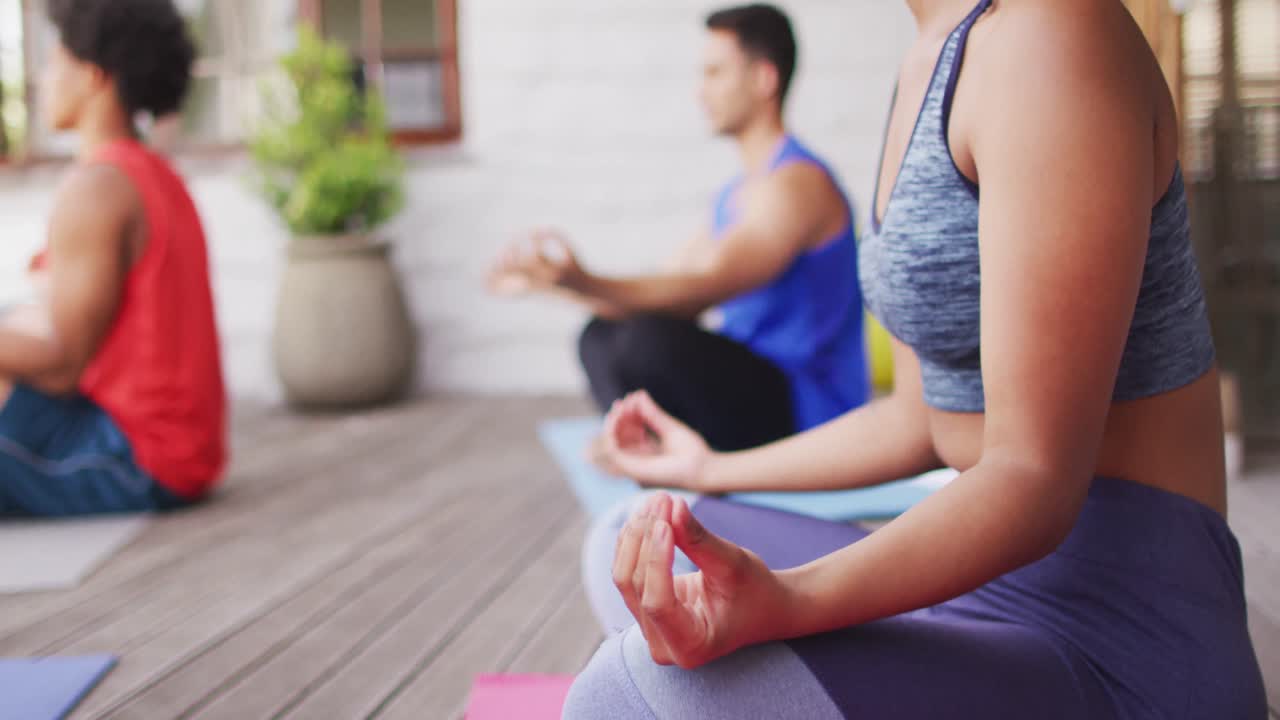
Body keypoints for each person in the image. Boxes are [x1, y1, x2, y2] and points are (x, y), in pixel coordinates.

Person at [563, 0, 1267, 718]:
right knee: (631, 536)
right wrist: (709, 468)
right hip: (977, 584)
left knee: (625, 690)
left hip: (1117, 642)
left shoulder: (1051, 32)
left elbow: (1034, 477)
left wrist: (786, 602)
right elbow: (917, 419)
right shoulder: (930, 58)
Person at [489, 5, 869, 453]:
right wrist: (551, 284)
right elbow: (666, 285)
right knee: (600, 335)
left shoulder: (796, 185)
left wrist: (581, 280)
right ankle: (637, 441)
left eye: (714, 73)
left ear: (763, 79)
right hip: (750, 388)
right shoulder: (735, 195)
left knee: (648, 340)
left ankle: (648, 443)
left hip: (807, 412)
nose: (699, 91)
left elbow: (701, 289)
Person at [0, 0, 226, 517]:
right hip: (181, 448)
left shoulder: (98, 188)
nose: (44, 79)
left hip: (136, 460)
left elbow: (62, 366)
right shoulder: (154, 174)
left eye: (54, 62)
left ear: (94, 76)